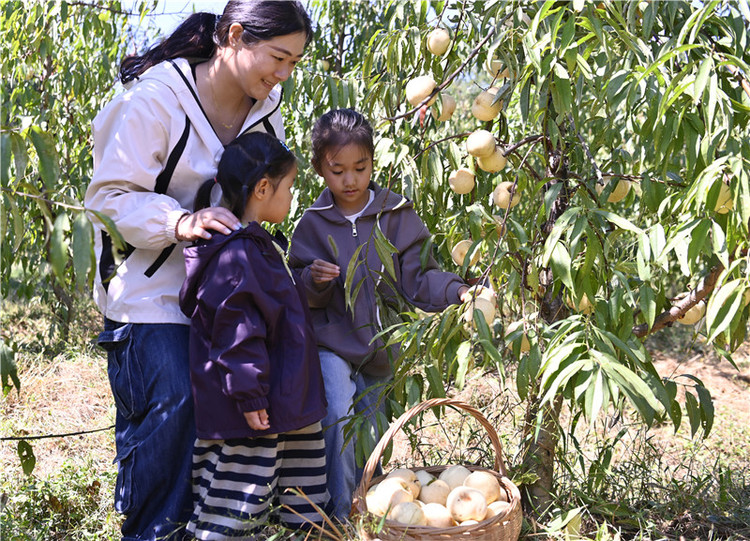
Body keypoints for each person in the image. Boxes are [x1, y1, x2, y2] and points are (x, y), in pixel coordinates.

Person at [83, 2, 312, 539]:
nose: (282, 74)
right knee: (176, 406)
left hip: (223, 293)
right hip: (152, 294)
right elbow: (108, 200)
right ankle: (151, 531)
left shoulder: (264, 107)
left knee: (230, 420)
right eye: (277, 57)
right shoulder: (154, 100)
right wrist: (179, 222)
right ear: (234, 36)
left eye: (293, 62)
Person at [288, 108, 474, 520]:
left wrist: (457, 290)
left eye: (361, 167)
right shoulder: (312, 224)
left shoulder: (396, 214)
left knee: (372, 433)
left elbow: (420, 277)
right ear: (320, 168)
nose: (350, 180)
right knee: (336, 412)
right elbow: (297, 291)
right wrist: (313, 282)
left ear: (374, 161)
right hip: (332, 343)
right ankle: (340, 516)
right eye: (338, 171)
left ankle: (367, 510)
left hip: (382, 347)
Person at [179, 131, 328, 539]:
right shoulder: (237, 253)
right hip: (254, 408)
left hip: (287, 400)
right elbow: (237, 327)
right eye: (290, 187)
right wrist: (249, 393)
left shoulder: (258, 246)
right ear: (263, 188)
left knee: (306, 502)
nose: (292, 197)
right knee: (236, 504)